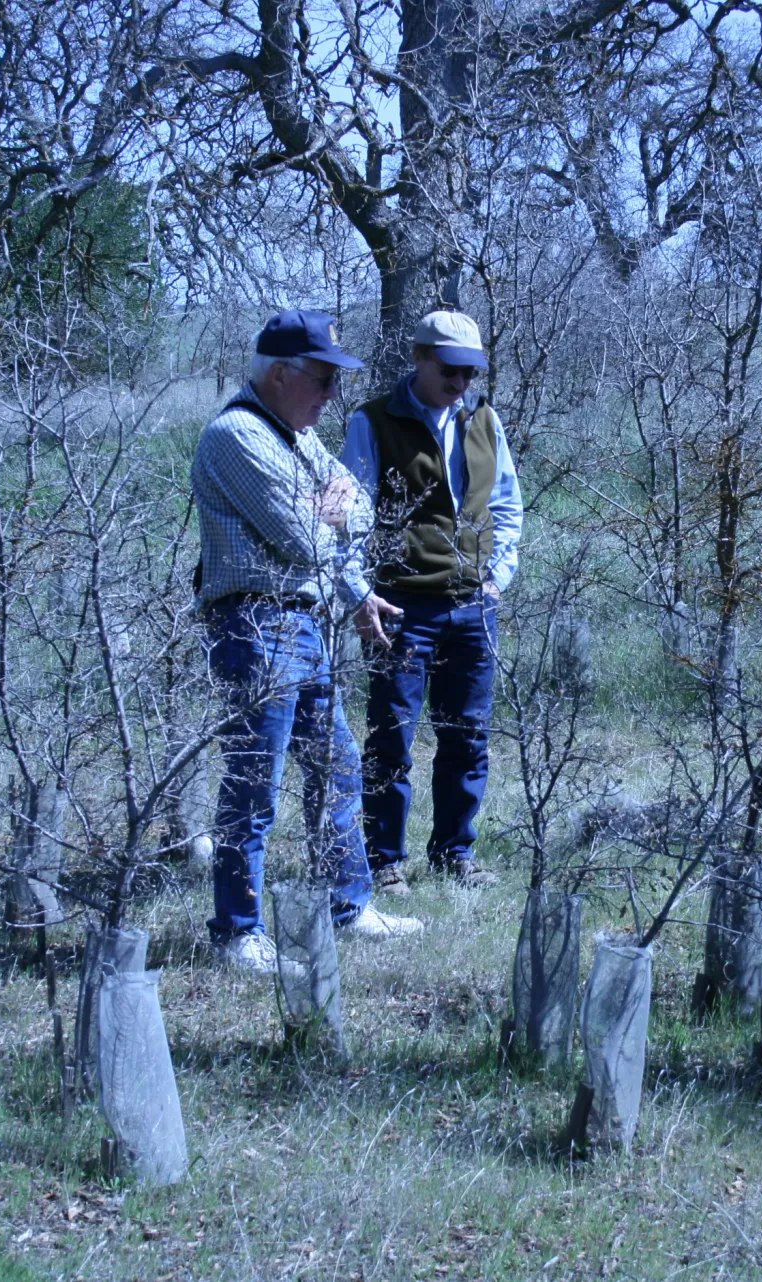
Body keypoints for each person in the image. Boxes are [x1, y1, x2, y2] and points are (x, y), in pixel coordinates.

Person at [193, 309, 423, 974]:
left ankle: (348, 907)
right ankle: (237, 934)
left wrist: (353, 591)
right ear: (280, 374)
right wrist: (329, 514)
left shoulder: (295, 435)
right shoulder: (237, 435)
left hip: (304, 621)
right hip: (255, 626)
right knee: (254, 783)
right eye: (321, 379)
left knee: (339, 768)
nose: (330, 395)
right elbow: (304, 537)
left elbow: (355, 507)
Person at [342, 310, 523, 892]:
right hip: (402, 607)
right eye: (450, 369)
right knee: (391, 736)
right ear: (419, 358)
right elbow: (350, 515)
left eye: (471, 371)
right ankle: (382, 860)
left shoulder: (486, 422)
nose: (461, 382)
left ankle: (454, 855)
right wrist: (361, 592)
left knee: (467, 735)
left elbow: (507, 506)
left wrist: (498, 577)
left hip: (474, 608)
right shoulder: (372, 421)